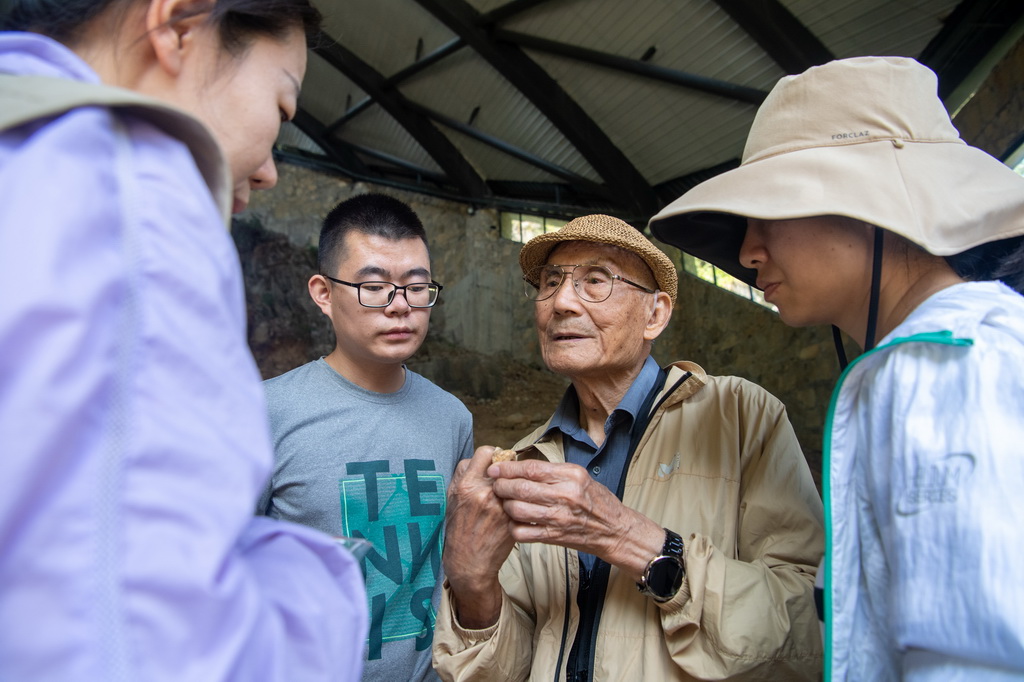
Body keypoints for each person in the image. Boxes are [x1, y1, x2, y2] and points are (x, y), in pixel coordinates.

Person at [0, 2, 368, 680]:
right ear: (177, 26)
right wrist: (324, 585)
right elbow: (160, 651)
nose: (269, 173)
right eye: (281, 108)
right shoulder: (132, 203)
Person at [648, 56, 1024, 680]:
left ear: (871, 203)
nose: (746, 251)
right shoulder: (917, 367)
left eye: (770, 210)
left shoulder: (950, 367)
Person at [432, 214, 825, 681]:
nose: (560, 302)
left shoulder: (741, 416)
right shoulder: (526, 463)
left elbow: (810, 631)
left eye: (594, 281)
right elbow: (507, 669)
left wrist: (630, 539)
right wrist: (473, 587)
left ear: (655, 314)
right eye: (550, 282)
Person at [257, 193, 474, 682]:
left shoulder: (452, 419)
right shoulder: (263, 414)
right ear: (323, 293)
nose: (400, 308)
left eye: (417, 288)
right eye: (374, 287)